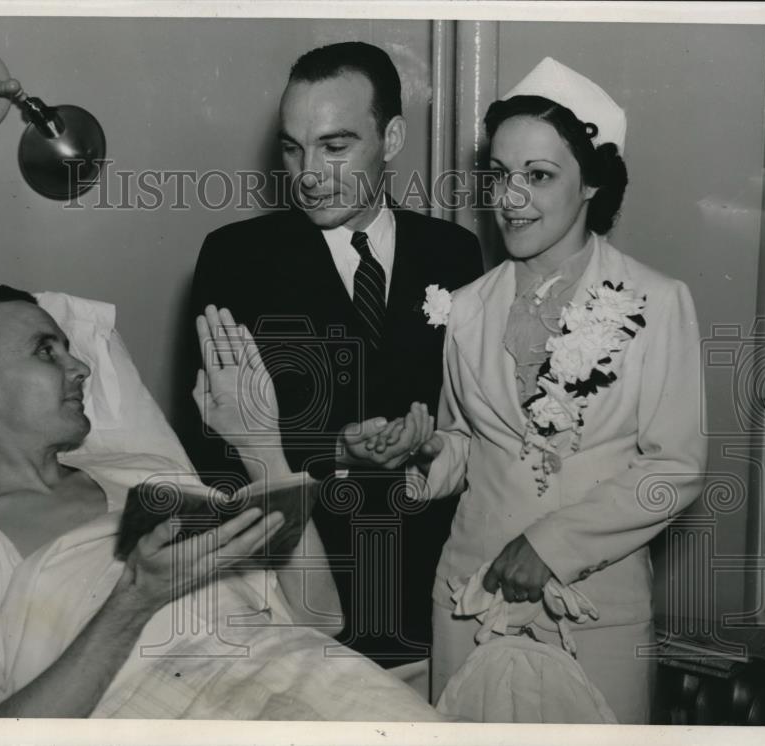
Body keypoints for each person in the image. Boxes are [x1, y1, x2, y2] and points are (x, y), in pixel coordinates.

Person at [0, 287, 441, 720]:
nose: (79, 367)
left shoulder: (146, 482)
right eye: (45, 351)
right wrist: (134, 599)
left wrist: (263, 448)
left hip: (315, 681)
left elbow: (321, 618)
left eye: (68, 347)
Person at [370, 57, 708, 723]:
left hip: (594, 614)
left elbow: (676, 467)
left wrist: (552, 546)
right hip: (468, 599)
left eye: (539, 176)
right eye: (499, 175)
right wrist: (419, 449)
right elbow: (467, 445)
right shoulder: (465, 306)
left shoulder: (659, 303)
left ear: (591, 184)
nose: (511, 199)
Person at [188, 40, 484, 669]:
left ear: (393, 136)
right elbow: (211, 446)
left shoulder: (453, 253)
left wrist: (434, 444)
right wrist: (338, 450)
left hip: (441, 585)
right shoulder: (236, 259)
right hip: (302, 588)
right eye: (293, 148)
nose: (310, 174)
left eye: (335, 145)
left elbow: (478, 420)